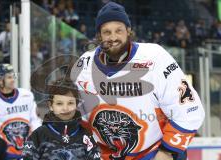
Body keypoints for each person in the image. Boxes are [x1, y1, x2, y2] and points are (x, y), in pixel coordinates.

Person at [71, 2, 205, 160]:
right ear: (99, 36)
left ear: (128, 31)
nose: (113, 37)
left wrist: (167, 152)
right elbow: (78, 118)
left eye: (118, 31)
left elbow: (191, 111)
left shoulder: (155, 58)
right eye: (107, 32)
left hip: (154, 152)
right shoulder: (84, 65)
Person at [22, 80, 101, 160]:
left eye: (70, 103)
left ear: (76, 104)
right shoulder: (39, 135)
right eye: (59, 103)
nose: (65, 108)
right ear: (51, 105)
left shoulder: (86, 136)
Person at [0, 64, 41, 160]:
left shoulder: (26, 95)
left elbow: (34, 120)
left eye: (13, 76)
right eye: (9, 77)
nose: (13, 80)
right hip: (3, 151)